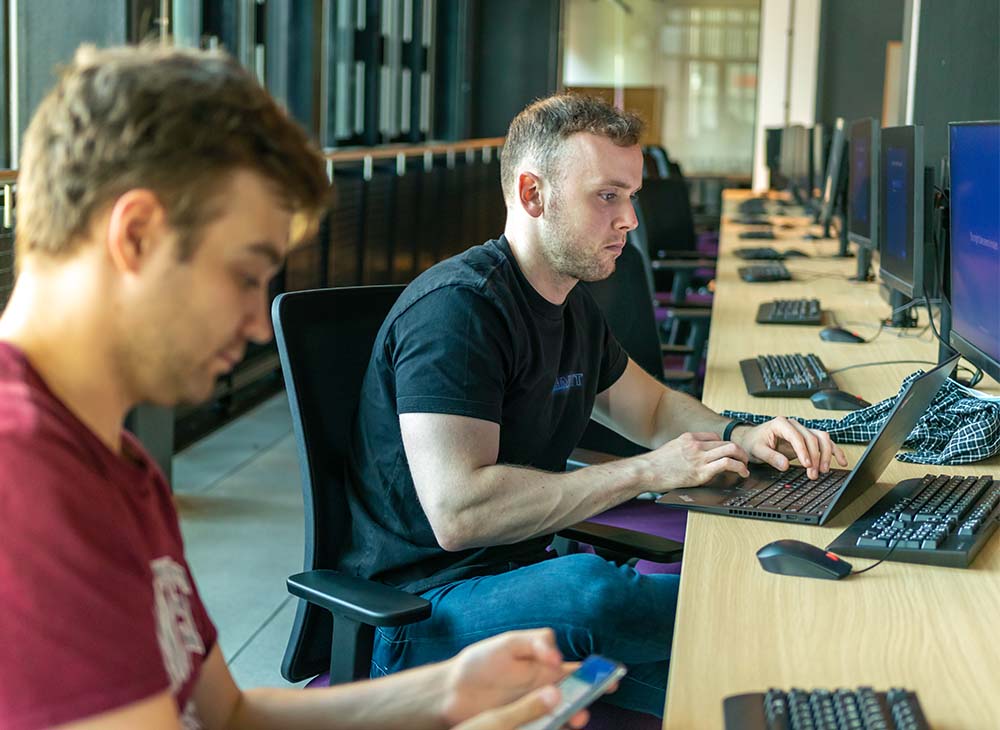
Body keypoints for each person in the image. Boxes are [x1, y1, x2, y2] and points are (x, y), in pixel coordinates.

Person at [0, 45, 590, 730]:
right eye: (246, 277)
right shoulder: (25, 472)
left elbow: (224, 714)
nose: (257, 324)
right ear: (135, 235)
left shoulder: (115, 462)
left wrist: (440, 695)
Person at [341, 93, 849, 718]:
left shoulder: (569, 301)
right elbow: (461, 513)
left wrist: (740, 435)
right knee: (596, 594)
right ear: (533, 195)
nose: (629, 219)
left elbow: (654, 410)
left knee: (745, 691)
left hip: (524, 583)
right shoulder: (457, 313)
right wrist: (644, 472)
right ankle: (792, 624)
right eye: (607, 195)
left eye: (630, 195)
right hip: (424, 616)